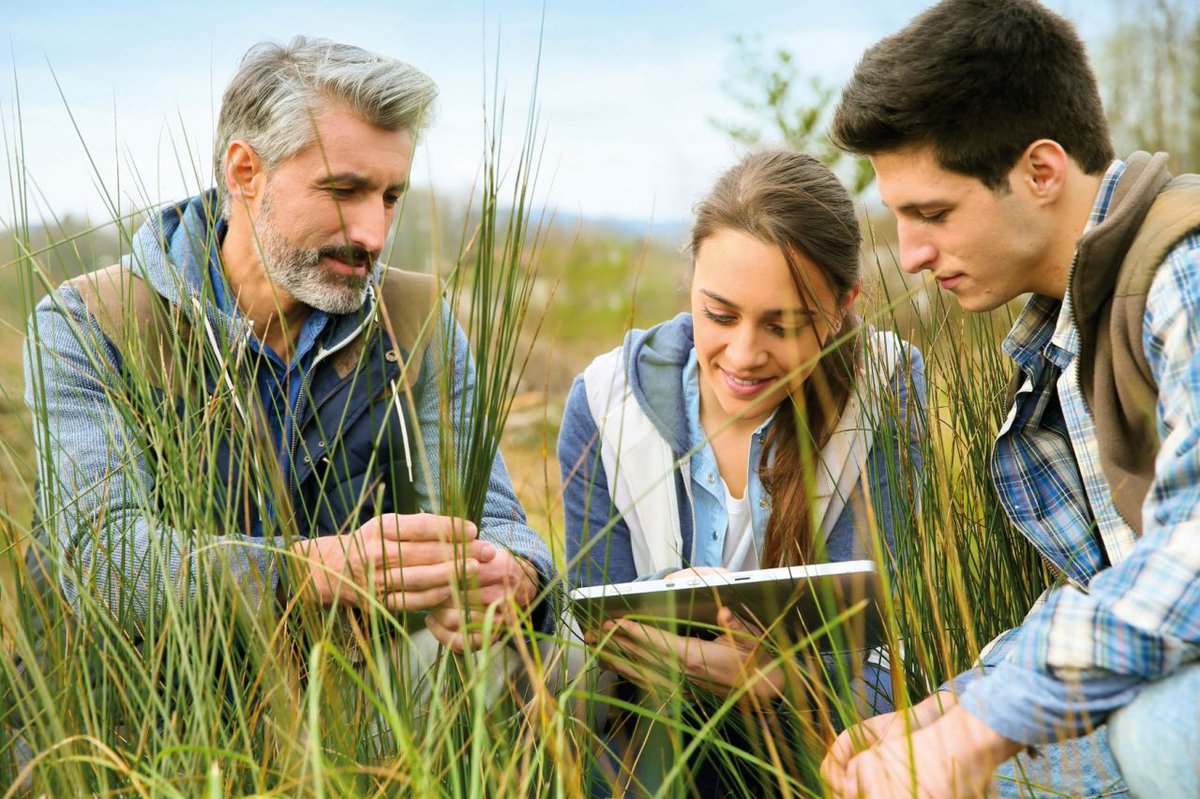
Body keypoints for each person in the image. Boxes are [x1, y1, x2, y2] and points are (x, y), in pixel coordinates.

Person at [23, 37, 553, 681]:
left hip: (357, 713)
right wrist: (316, 570)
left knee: (580, 666)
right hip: (137, 719)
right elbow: (103, 564)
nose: (373, 234)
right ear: (246, 172)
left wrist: (514, 578)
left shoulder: (420, 323)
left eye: (390, 196)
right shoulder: (88, 324)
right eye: (343, 190)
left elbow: (496, 523)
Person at [822, 1, 1200, 797]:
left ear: (1040, 171)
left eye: (932, 213)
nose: (913, 254)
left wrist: (969, 739)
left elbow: (1192, 562)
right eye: (899, 216)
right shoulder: (1068, 336)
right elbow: (1124, 585)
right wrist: (947, 706)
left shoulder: (1184, 273)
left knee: (1164, 730)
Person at [557, 149, 925, 795]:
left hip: (821, 751)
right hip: (648, 745)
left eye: (783, 325)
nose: (745, 354)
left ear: (844, 306)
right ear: (692, 280)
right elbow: (589, 646)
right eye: (719, 315)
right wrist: (673, 626)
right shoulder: (602, 397)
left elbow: (882, 659)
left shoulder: (888, 392)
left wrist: (779, 682)